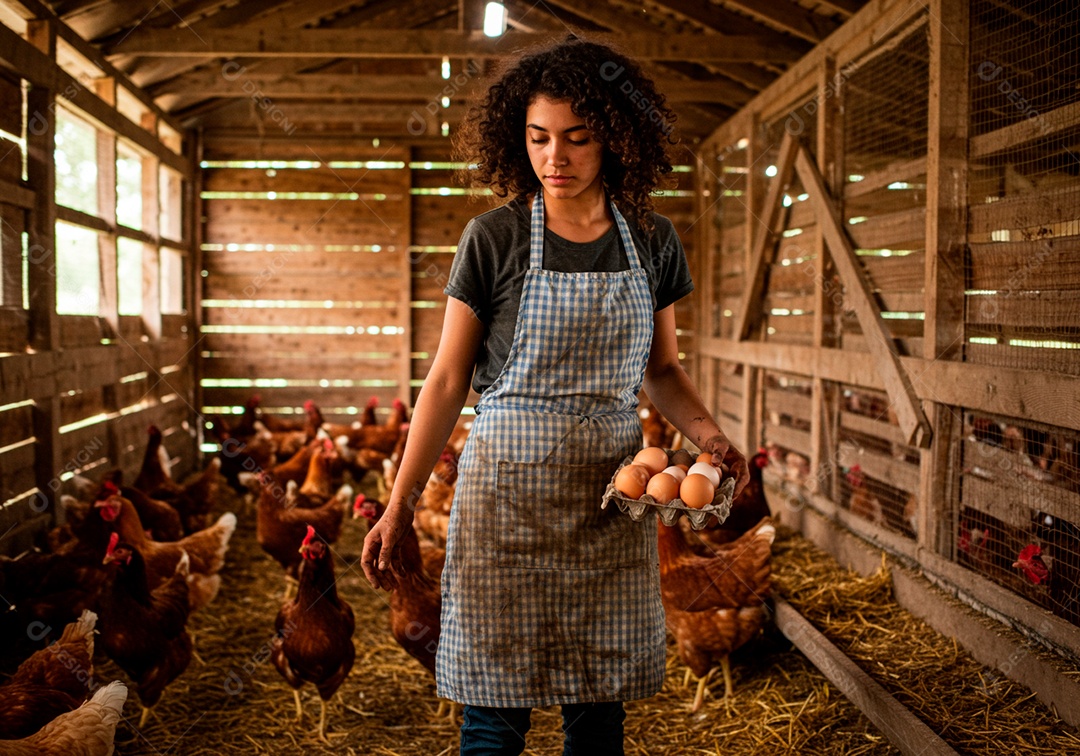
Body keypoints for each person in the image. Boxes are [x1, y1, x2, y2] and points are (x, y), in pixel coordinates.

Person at [361, 35, 749, 756]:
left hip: (608, 500)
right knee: (493, 712)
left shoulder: (653, 240)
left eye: (577, 139)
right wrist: (400, 502)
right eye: (538, 138)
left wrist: (711, 438)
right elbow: (447, 379)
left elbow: (662, 369)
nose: (554, 158)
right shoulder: (494, 238)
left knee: (597, 709)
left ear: (615, 139)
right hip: (505, 501)